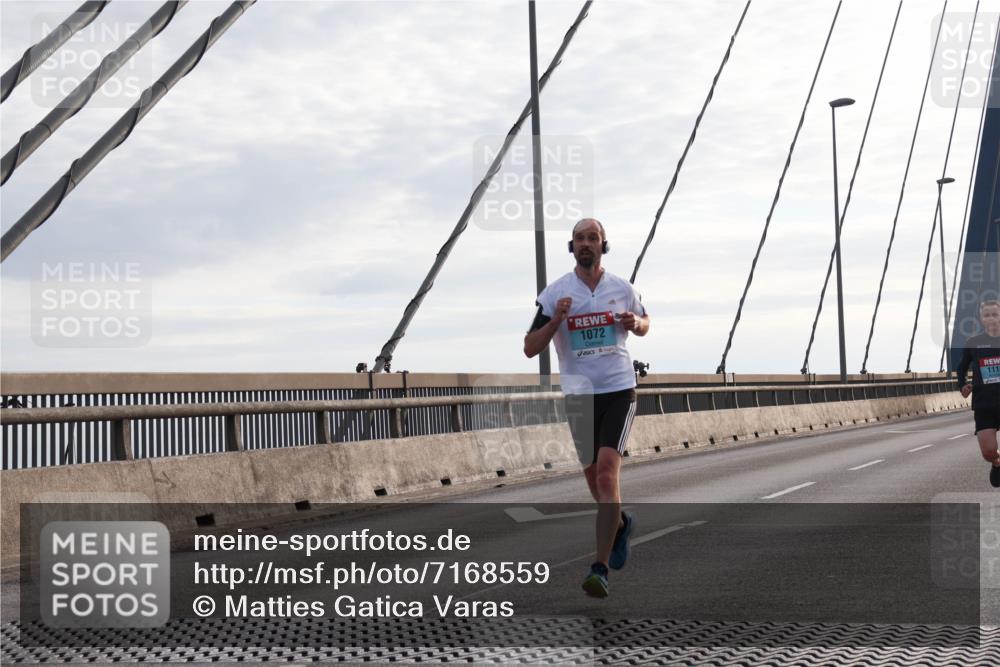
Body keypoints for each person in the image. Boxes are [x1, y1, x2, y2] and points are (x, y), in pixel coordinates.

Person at [523, 218, 650, 597]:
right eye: (579, 238)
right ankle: (622, 523)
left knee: (609, 476)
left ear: (603, 245)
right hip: (579, 395)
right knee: (594, 481)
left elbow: (645, 323)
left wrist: (636, 322)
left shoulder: (621, 288)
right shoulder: (556, 293)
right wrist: (557, 319)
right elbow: (530, 347)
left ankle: (600, 568)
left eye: (592, 238)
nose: (585, 244)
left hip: (618, 389)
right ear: (572, 246)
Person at [957, 299, 1000, 488]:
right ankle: (997, 463)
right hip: (984, 404)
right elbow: (961, 368)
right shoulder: (973, 343)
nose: (991, 318)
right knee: (988, 452)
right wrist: (963, 385)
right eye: (987, 315)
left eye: (995, 314)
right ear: (981, 319)